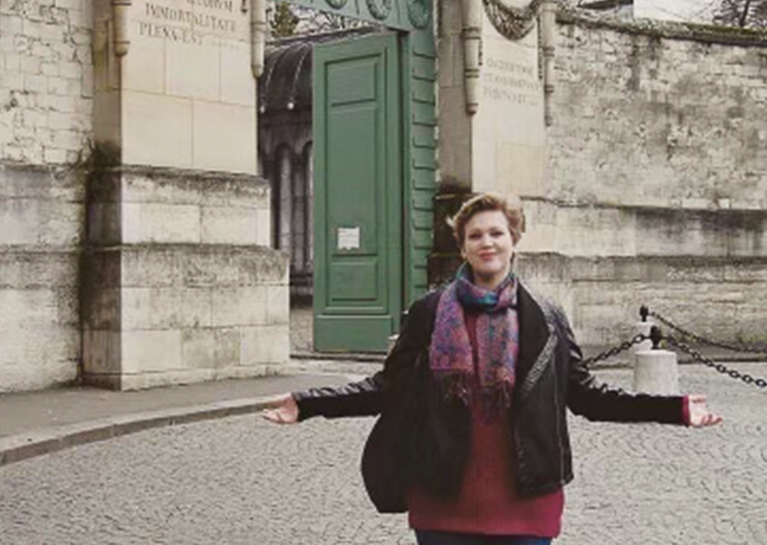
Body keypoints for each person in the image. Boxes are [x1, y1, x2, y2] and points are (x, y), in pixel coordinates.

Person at [264, 192, 722, 545]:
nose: (487, 242)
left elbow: (587, 397)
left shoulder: (546, 316)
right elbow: (389, 388)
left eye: (496, 233)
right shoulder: (428, 313)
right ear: (462, 247)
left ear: (513, 240)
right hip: (443, 500)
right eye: (475, 235)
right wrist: (306, 403)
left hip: (527, 502)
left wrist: (675, 409)